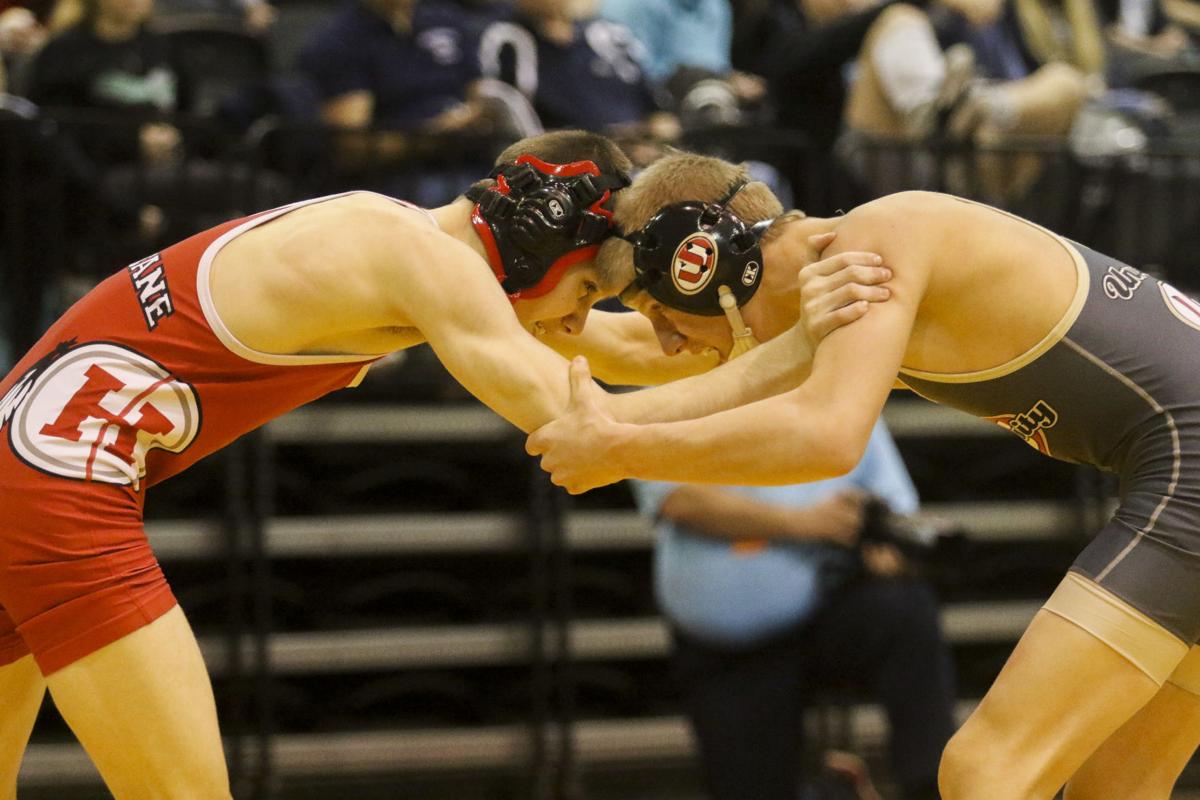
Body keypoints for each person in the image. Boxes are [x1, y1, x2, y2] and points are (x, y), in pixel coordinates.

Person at [527, 151, 1200, 799]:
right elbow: (625, 352)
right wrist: (493, 295)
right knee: (1117, 787)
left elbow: (828, 436)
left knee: (985, 772)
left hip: (1189, 461)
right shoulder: (850, 287)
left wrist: (623, 452)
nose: (671, 343)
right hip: (1179, 459)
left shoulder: (874, 244)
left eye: (662, 312)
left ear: (702, 263)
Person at [631, 419, 955, 800]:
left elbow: (899, 511)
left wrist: (885, 544)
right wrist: (804, 523)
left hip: (820, 611)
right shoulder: (670, 395)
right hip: (723, 649)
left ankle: (934, 786)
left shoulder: (846, 396)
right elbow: (677, 499)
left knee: (905, 608)